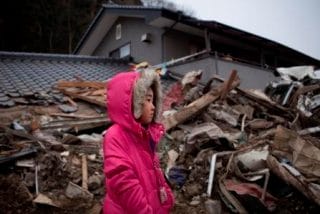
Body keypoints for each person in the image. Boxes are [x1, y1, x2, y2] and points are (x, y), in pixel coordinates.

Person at [103, 68, 175, 213]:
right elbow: (125, 183)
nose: (153, 107)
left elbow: (156, 173)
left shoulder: (144, 135)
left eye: (153, 100)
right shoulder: (115, 136)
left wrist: (167, 199)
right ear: (133, 102)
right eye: (148, 100)